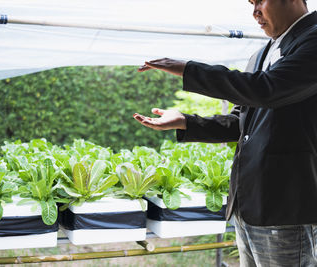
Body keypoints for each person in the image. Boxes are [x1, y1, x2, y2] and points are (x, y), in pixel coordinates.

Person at [133, 0, 317, 266]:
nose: (254, 12)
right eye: (251, 3)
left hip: (288, 207)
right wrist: (186, 122)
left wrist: (188, 69)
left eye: (261, 1)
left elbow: (268, 89)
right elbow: (240, 120)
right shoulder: (261, 53)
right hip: (249, 205)